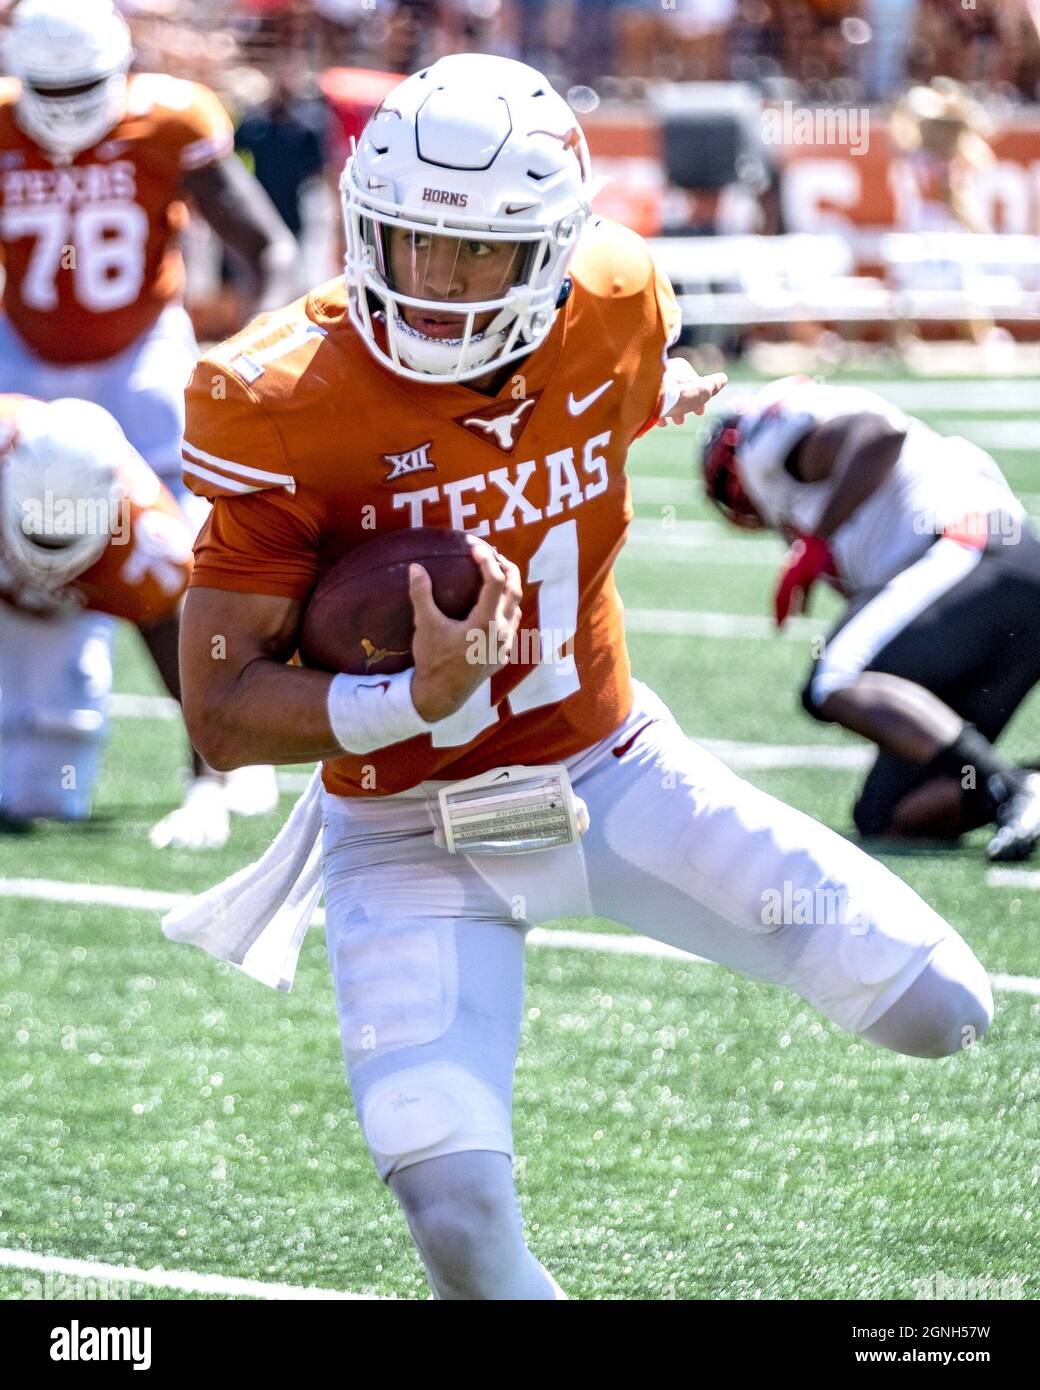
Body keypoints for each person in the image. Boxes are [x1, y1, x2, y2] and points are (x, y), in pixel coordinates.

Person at [176, 55, 991, 1301]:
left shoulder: (617, 297)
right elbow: (221, 711)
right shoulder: (275, 396)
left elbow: (595, 387)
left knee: (943, 1005)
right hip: (407, 832)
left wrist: (642, 398)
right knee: (453, 1214)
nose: (435, 291)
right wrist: (406, 699)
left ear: (553, 251)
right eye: (406, 246)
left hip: (609, 768)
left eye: (475, 259)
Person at [0, 0, 295, 827]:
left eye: (82, 85)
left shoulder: (170, 120)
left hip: (141, 360)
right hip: (21, 354)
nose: (63, 105)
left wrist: (246, 350)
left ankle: (225, 749)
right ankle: (40, 740)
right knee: (28, 533)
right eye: (46, 86)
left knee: (186, 551)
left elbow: (265, 246)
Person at [701, 375, 1040, 861]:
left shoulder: (770, 441)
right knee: (892, 816)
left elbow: (877, 434)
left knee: (836, 677)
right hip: (994, 594)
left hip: (973, 549)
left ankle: (1007, 789)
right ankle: (1026, 785)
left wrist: (815, 543)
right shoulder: (837, 504)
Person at [0, 394, 232, 844]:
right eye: (37, 531)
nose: (45, 555)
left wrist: (207, 788)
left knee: (42, 799)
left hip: (69, 616)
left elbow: (195, 679)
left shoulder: (147, 543)